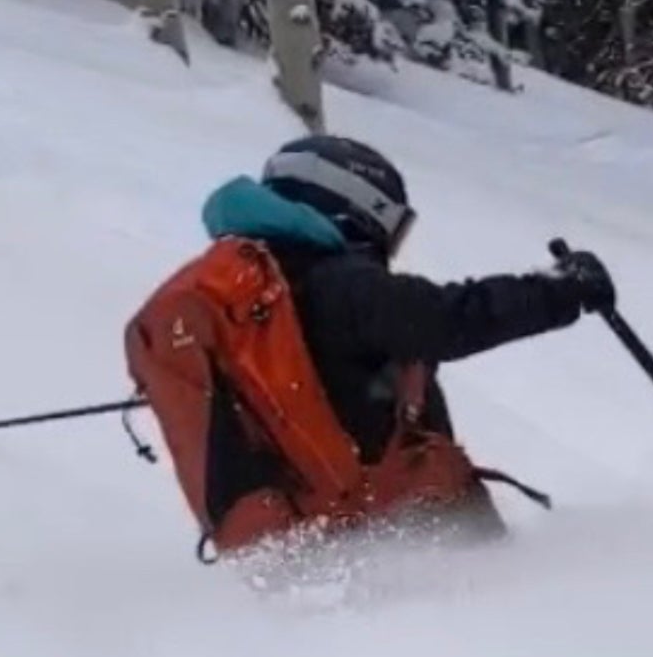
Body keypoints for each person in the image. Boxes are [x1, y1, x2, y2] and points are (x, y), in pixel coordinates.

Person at [128, 135, 615, 555]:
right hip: (401, 532)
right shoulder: (335, 282)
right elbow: (443, 318)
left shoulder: (247, 294)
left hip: (302, 545)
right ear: (358, 207)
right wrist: (561, 290)